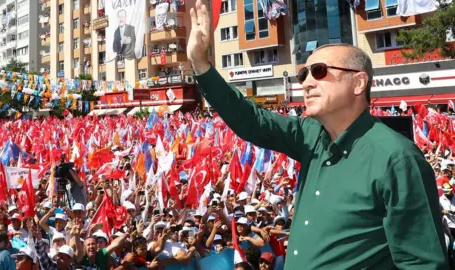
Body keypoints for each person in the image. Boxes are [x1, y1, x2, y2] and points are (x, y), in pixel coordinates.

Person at [186, 0, 448, 268]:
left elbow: (422, 263)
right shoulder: (310, 136)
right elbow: (251, 120)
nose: (307, 82)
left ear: (358, 83)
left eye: (320, 71)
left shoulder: (396, 159)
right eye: (303, 74)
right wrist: (200, 63)